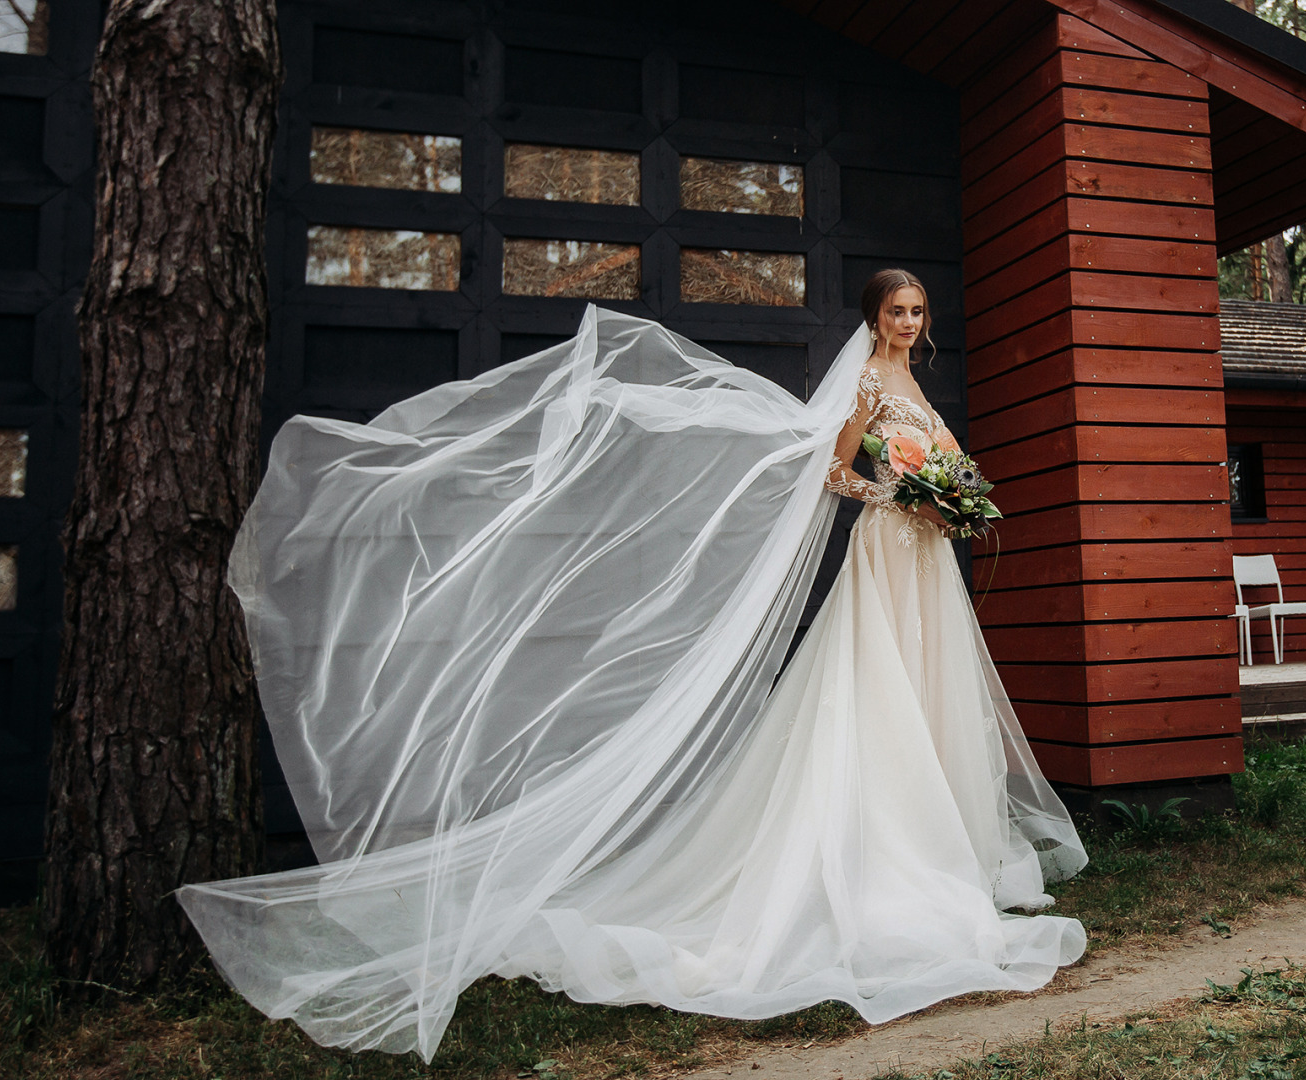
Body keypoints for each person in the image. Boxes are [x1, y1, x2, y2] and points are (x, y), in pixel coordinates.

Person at [178, 270, 1087, 1062]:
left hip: (926, 560)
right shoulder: (862, 387)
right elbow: (833, 474)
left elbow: (953, 466)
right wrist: (893, 489)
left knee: (930, 695)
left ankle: (949, 845)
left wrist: (953, 499)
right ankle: (886, 852)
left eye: (919, 311)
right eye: (897, 310)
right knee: (878, 693)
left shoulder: (916, 387)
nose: (909, 323)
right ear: (874, 317)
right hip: (885, 554)